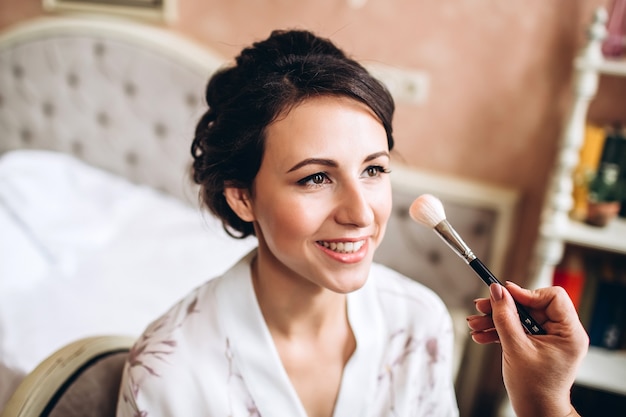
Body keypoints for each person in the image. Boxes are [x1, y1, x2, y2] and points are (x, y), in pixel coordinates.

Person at [116, 29, 589, 417]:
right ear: (241, 196)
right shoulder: (168, 374)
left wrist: (545, 402)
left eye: (374, 170)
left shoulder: (418, 323)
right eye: (316, 177)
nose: (361, 213)